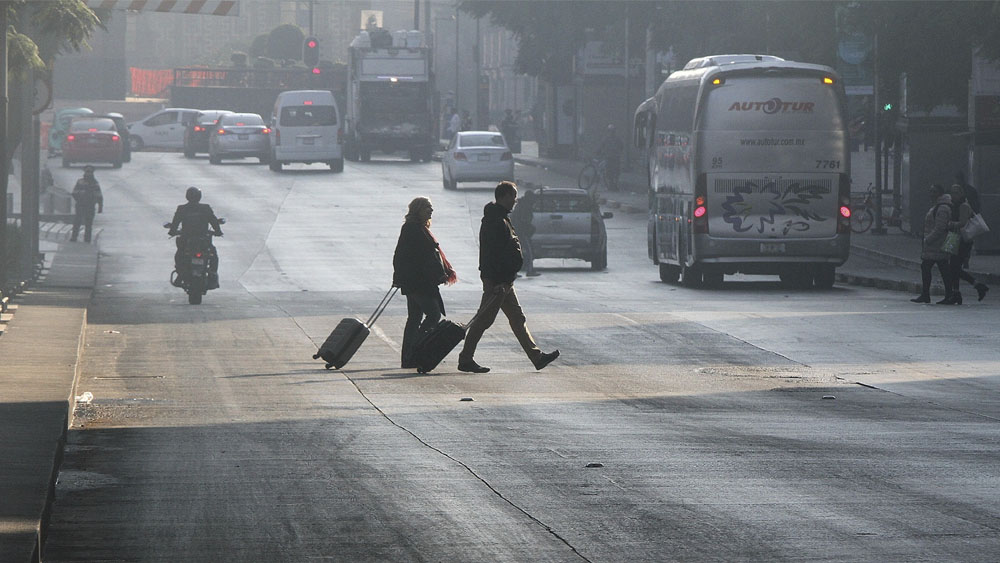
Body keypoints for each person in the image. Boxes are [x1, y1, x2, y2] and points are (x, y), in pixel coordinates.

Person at [457, 181, 559, 374]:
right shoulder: (495, 221)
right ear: (503, 197)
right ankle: (465, 358)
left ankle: (537, 357)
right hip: (498, 281)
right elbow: (493, 255)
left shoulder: (501, 218)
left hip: (505, 281)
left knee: (517, 318)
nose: (515, 200)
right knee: (483, 320)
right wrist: (498, 282)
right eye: (512, 196)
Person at [392, 197, 457, 369]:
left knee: (414, 318)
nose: (430, 211)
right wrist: (438, 275)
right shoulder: (413, 229)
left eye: (431, 208)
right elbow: (421, 257)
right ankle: (415, 351)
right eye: (427, 208)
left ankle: (408, 358)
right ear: (417, 210)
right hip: (418, 282)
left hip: (415, 281)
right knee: (433, 315)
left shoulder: (417, 228)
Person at [167, 187, 223, 288]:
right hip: (201, 239)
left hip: (189, 239)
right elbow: (213, 221)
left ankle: (181, 275)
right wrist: (218, 231)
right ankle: (212, 274)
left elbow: (175, 223)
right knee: (213, 254)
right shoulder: (205, 208)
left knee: (180, 254)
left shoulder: (182, 208)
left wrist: (172, 231)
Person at [945, 184, 990, 303]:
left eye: (956, 193)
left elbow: (963, 223)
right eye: (952, 192)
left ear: (961, 194)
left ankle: (975, 286)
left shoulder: (963, 206)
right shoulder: (954, 205)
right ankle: (958, 292)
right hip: (954, 237)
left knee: (954, 266)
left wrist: (950, 224)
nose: (953, 195)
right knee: (952, 267)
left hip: (962, 240)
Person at [911, 184, 955, 304]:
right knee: (941, 269)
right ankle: (946, 294)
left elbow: (940, 228)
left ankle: (928, 295)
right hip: (935, 246)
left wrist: (928, 239)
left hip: (936, 245)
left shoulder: (942, 208)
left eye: (934, 191)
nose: (931, 194)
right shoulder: (937, 206)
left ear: (940, 193)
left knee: (928, 268)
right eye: (930, 191)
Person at [509, 188, 539, 277]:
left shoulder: (521, 205)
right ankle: (529, 271)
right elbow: (522, 220)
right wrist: (528, 229)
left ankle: (515, 272)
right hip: (520, 232)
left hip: (518, 231)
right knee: (528, 252)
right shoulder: (525, 207)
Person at [70, 165, 103, 243]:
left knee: (88, 224)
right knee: (77, 222)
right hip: (80, 205)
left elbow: (99, 195)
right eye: (87, 171)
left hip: (90, 206)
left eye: (90, 172)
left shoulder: (95, 183)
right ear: (84, 172)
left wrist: (100, 206)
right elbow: (74, 193)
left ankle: (87, 240)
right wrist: (80, 198)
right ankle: (74, 237)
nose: (88, 173)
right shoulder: (80, 181)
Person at [596, 124, 624, 191]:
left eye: (612, 131)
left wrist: (598, 152)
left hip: (611, 157)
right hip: (614, 157)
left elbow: (601, 146)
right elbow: (622, 147)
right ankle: (613, 184)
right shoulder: (616, 139)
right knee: (613, 171)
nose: (611, 133)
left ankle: (613, 184)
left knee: (612, 171)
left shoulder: (608, 139)